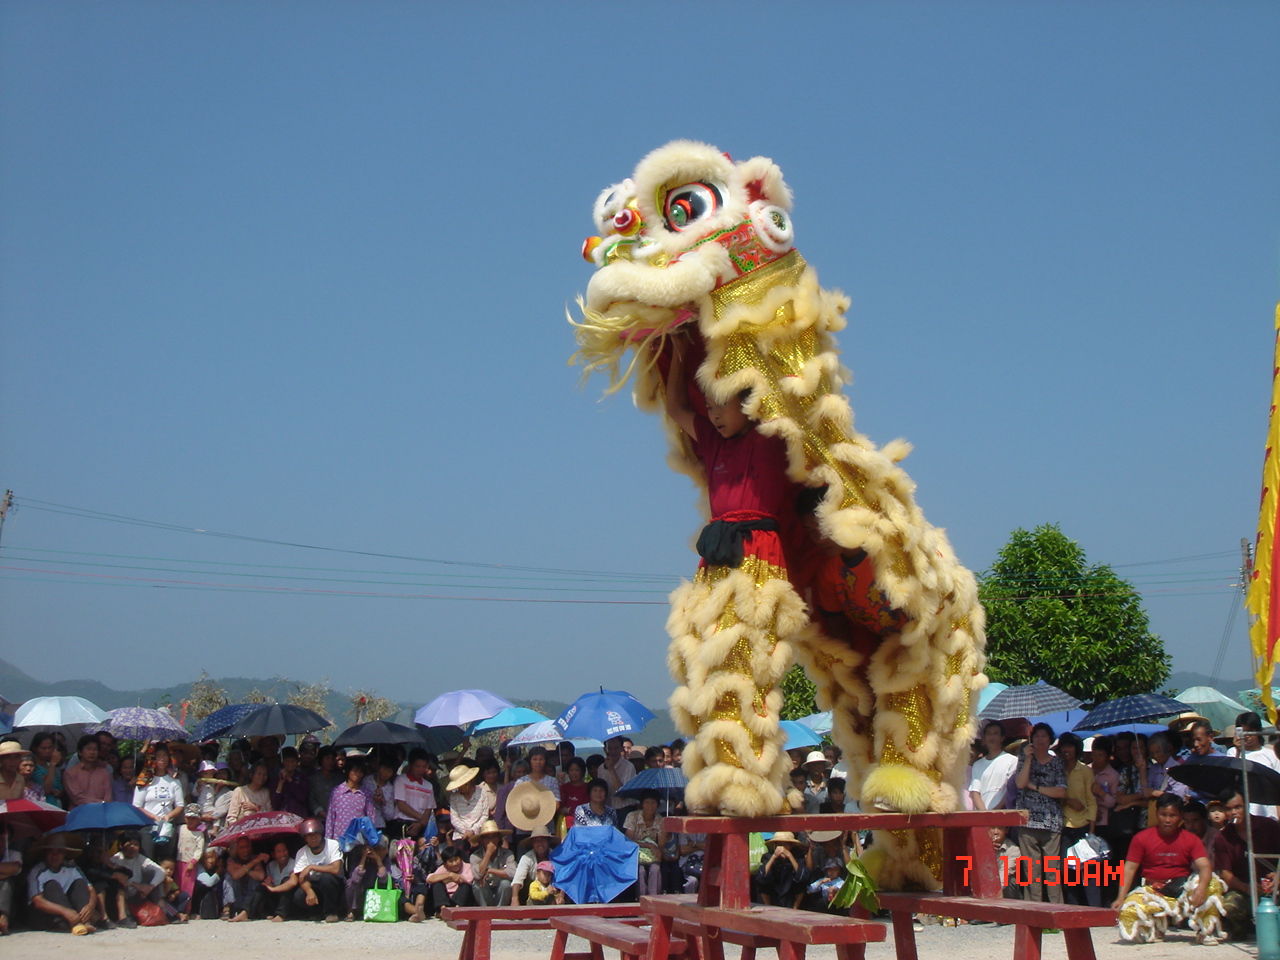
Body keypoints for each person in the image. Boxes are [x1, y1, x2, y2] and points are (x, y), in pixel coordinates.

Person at [1112, 794, 1226, 944]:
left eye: (1172, 815)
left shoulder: (1191, 839)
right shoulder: (1141, 838)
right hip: (1153, 890)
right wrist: (1121, 897)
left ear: (1180, 817)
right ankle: (1154, 927)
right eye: (1163, 815)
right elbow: (1129, 869)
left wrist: (1201, 888)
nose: (1167, 820)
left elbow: (1205, 867)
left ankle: (1205, 930)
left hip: (1182, 889)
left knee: (1212, 885)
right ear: (1156, 813)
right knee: (1129, 910)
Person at [1211, 790, 1280, 939]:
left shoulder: (1269, 826)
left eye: (1238, 807)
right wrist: (1247, 888)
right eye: (1229, 809)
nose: (1234, 812)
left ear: (1246, 805)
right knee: (1228, 905)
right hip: (1245, 888)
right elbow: (1225, 873)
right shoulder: (1223, 837)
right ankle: (1243, 929)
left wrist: (1278, 876)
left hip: (1275, 886)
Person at [1014, 722, 1066, 904]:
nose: (1040, 739)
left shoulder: (1057, 762)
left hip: (1051, 821)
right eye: (1037, 736)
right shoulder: (1023, 759)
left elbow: (1061, 791)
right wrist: (1028, 759)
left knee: (1052, 870)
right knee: (1031, 870)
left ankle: (1056, 911)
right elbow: (1020, 783)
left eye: (1044, 736)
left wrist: (1035, 786)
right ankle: (1033, 911)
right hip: (1028, 821)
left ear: (1050, 739)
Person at [1057, 732, 1099, 906]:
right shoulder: (1056, 769)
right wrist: (1067, 800)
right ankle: (1074, 908)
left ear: (1077, 749)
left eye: (1071, 746)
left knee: (1089, 870)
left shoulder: (1085, 771)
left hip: (1082, 825)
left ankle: (1095, 909)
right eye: (1064, 746)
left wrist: (1091, 829)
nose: (1067, 750)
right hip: (1063, 825)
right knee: (1068, 871)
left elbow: (1091, 800)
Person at [28, 837, 103, 933]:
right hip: (45, 914)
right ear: (45, 854)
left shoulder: (72, 868)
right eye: (51, 852)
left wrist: (90, 906)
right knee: (52, 885)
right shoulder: (37, 871)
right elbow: (38, 901)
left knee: (79, 883)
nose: (55, 856)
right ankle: (76, 923)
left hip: (70, 910)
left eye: (59, 852)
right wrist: (65, 911)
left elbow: (90, 889)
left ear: (64, 854)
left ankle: (85, 921)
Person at [133, 745, 185, 861]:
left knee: (165, 861)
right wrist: (154, 817)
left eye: (165, 755)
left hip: (167, 826)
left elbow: (180, 805)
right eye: (159, 756)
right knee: (148, 860)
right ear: (153, 758)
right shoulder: (144, 780)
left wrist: (168, 816)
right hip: (148, 826)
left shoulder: (174, 782)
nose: (162, 758)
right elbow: (137, 805)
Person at [291, 818, 344, 922]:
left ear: (321, 834)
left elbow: (336, 869)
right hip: (314, 884)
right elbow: (301, 877)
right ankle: (316, 912)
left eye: (315, 835)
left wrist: (311, 867)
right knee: (299, 895)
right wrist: (309, 891)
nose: (313, 839)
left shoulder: (333, 845)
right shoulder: (302, 852)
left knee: (326, 878)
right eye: (309, 836)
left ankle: (331, 912)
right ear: (305, 838)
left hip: (334, 885)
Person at [344, 837, 401, 921]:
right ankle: (352, 911)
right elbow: (355, 879)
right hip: (361, 892)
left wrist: (379, 861)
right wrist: (363, 858)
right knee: (351, 883)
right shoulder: (357, 858)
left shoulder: (386, 860)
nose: (379, 852)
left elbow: (384, 879)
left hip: (377, 892)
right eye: (377, 849)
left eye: (383, 849)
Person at [969, 722, 1018, 811]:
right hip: (982, 816)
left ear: (1002, 738)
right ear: (984, 738)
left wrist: (995, 811)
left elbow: (1010, 789)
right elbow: (975, 792)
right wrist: (984, 813)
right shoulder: (977, 764)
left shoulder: (1012, 760)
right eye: (989, 734)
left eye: (995, 733)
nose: (992, 737)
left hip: (1003, 814)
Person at [624, 792, 666, 897]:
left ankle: (654, 899)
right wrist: (649, 845)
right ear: (642, 804)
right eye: (647, 802)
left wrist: (657, 850)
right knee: (640, 871)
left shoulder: (660, 820)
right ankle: (641, 899)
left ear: (657, 805)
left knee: (655, 870)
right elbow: (628, 840)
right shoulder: (632, 816)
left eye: (653, 803)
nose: (650, 806)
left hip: (652, 855)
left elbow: (661, 845)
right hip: (635, 854)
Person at [326, 758, 376, 841]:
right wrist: (328, 840)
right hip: (339, 837)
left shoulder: (366, 793)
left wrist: (370, 838)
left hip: (359, 838)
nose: (358, 774)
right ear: (348, 771)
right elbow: (330, 817)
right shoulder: (337, 791)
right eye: (355, 771)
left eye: (360, 772)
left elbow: (371, 817)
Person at [754, 832, 810, 908]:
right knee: (763, 883)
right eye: (779, 844)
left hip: (790, 896)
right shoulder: (768, 857)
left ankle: (795, 909)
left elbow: (802, 877)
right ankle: (768, 907)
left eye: (785, 845)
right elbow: (761, 877)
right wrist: (773, 857)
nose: (782, 848)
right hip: (774, 895)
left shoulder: (798, 857)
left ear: (791, 846)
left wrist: (790, 856)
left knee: (801, 884)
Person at [393, 748, 437, 839]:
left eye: (424, 767)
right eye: (417, 766)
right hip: (402, 824)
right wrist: (421, 818)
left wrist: (421, 824)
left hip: (420, 826)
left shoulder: (428, 786)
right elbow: (401, 805)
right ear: (411, 765)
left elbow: (428, 809)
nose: (420, 770)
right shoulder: (401, 780)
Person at [469, 820, 515, 906]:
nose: (491, 840)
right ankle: (485, 913)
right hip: (486, 892)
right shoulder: (475, 856)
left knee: (506, 884)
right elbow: (477, 875)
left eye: (494, 837)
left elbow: (512, 873)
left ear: (498, 838)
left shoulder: (508, 854)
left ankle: (500, 913)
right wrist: (488, 853)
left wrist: (490, 870)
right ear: (482, 840)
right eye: (487, 837)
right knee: (476, 885)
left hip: (501, 892)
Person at [222, 836, 267, 921]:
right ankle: (229, 909)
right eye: (242, 847)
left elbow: (260, 876)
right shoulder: (231, 860)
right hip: (237, 896)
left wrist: (244, 869)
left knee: (256, 881)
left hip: (250, 897)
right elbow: (235, 875)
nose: (245, 850)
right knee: (228, 878)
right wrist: (252, 864)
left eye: (247, 847)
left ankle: (244, 912)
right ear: (237, 849)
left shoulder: (254, 857)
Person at [447, 762, 491, 844]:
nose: (459, 788)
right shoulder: (454, 797)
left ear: (468, 782)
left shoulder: (482, 792)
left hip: (479, 835)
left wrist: (473, 831)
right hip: (460, 836)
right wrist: (466, 832)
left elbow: (485, 816)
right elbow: (454, 818)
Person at [511, 826, 556, 905]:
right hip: (533, 893)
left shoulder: (555, 856)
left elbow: (563, 877)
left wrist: (560, 895)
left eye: (543, 840)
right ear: (532, 843)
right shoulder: (527, 857)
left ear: (548, 842)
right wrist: (514, 898)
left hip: (552, 892)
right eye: (537, 841)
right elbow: (518, 879)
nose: (540, 844)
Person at [64, 734, 113, 807]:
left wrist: (104, 804)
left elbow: (108, 796)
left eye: (95, 749)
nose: (92, 752)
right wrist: (101, 802)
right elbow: (77, 798)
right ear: (80, 752)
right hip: (79, 813)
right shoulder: (71, 773)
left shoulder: (104, 773)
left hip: (100, 812)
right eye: (88, 749)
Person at [426, 844, 475, 916]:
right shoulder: (443, 868)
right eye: (451, 861)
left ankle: (457, 911)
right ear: (445, 863)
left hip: (461, 900)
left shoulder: (468, 867)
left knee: (466, 885)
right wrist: (449, 875)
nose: (454, 864)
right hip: (446, 900)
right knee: (437, 884)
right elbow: (429, 879)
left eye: (456, 860)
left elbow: (468, 880)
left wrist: (452, 878)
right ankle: (443, 910)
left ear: (460, 858)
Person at [226, 761, 272, 828]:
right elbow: (231, 817)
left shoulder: (266, 792)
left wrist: (256, 808)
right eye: (259, 774)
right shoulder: (239, 791)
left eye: (265, 775)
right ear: (251, 775)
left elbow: (270, 815)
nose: (262, 777)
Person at [598, 737, 636, 813]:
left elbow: (623, 794)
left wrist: (612, 770)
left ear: (621, 749)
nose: (613, 751)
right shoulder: (601, 768)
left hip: (625, 809)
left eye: (616, 748)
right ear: (605, 749)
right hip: (607, 809)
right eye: (610, 748)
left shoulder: (629, 767)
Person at [29, 732, 67, 808]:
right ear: (35, 748)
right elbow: (46, 790)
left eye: (50, 748)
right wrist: (53, 764)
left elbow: (59, 786)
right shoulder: (33, 767)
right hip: (43, 806)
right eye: (43, 748)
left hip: (57, 805)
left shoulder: (50, 765)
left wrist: (60, 792)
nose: (47, 751)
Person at [261, 841, 296, 922]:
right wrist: (269, 884)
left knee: (286, 880)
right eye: (279, 852)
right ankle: (251, 912)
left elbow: (292, 882)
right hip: (276, 896)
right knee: (262, 887)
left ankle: (281, 914)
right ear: (274, 854)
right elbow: (269, 883)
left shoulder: (293, 863)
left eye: (284, 850)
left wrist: (274, 889)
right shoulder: (271, 865)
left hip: (289, 896)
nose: (282, 854)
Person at [272, 747, 310, 818]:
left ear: (297, 762)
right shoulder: (276, 778)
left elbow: (302, 797)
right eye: (287, 761)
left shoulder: (302, 777)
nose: (290, 764)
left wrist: (290, 780)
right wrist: (280, 783)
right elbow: (275, 804)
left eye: (292, 761)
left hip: (299, 816)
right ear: (282, 762)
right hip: (282, 817)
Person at [191, 847, 225, 920]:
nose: (211, 861)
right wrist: (219, 871)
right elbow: (209, 882)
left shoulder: (217, 865)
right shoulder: (199, 867)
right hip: (200, 897)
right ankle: (195, 912)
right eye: (207, 858)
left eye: (212, 857)